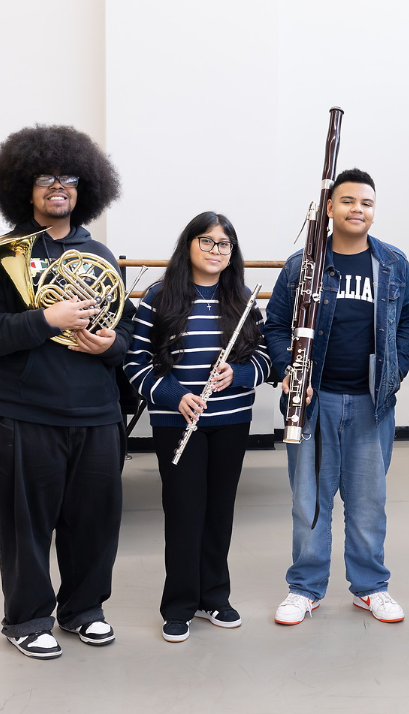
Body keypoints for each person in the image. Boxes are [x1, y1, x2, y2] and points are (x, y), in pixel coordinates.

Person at [0, 125, 133, 659]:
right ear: (24, 188)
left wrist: (108, 345)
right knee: (25, 524)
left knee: (94, 521)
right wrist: (46, 318)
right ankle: (27, 618)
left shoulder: (100, 254)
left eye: (69, 179)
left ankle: (85, 609)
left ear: (85, 189)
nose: (59, 187)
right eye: (46, 179)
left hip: (96, 412)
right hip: (23, 411)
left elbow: (125, 336)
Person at [264, 168, 409, 626]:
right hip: (316, 403)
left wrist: (398, 368)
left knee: (368, 501)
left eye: (367, 203)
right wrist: (288, 370)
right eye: (348, 201)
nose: (358, 209)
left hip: (373, 404)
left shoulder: (392, 263)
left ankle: (371, 587)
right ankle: (305, 588)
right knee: (309, 500)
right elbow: (275, 325)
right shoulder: (302, 265)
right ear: (329, 208)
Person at [124, 212, 269, 643]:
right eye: (207, 241)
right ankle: (180, 604)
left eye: (224, 244)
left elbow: (264, 360)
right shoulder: (159, 297)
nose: (215, 251)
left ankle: (214, 597)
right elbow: (136, 364)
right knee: (185, 513)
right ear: (188, 244)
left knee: (219, 512)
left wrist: (238, 375)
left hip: (231, 420)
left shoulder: (242, 297)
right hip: (177, 421)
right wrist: (174, 395)